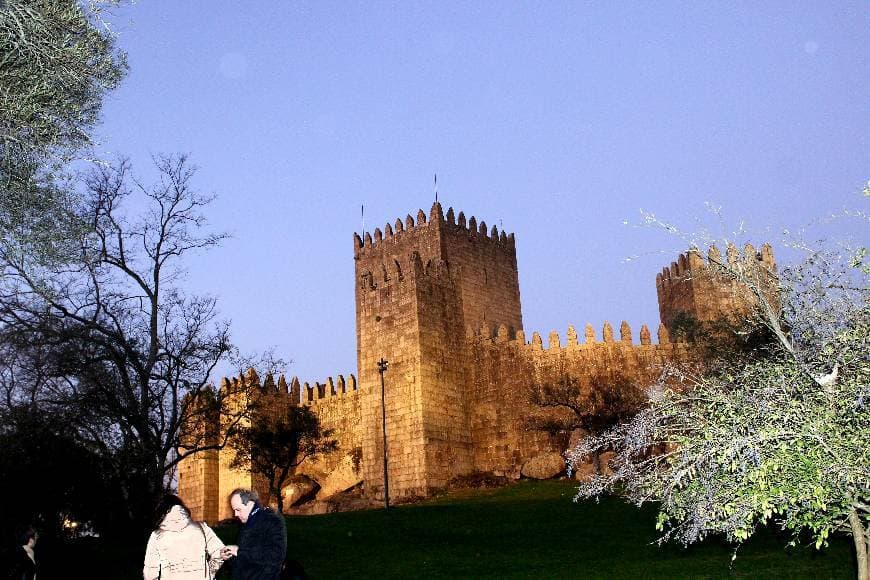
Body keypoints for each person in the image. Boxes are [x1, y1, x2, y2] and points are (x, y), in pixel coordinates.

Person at [143, 494, 227, 580]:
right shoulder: (202, 528)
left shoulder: (156, 536)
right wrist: (209, 573)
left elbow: (150, 574)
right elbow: (220, 553)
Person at [221, 488, 287, 580]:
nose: (235, 514)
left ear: (249, 504)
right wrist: (229, 557)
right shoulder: (246, 524)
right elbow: (244, 559)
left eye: (238, 509)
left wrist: (239, 552)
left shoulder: (272, 520)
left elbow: (275, 556)